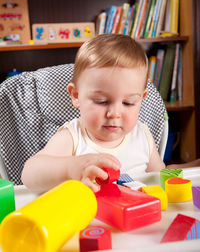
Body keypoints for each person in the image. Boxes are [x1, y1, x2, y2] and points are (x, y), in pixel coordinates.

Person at [21, 34, 200, 193]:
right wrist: (72, 168)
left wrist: (189, 169)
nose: (114, 113)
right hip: (88, 224)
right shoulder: (73, 137)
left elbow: (156, 177)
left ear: (141, 99)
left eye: (128, 103)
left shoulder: (142, 135)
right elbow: (29, 173)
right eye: (101, 101)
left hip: (137, 221)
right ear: (76, 96)